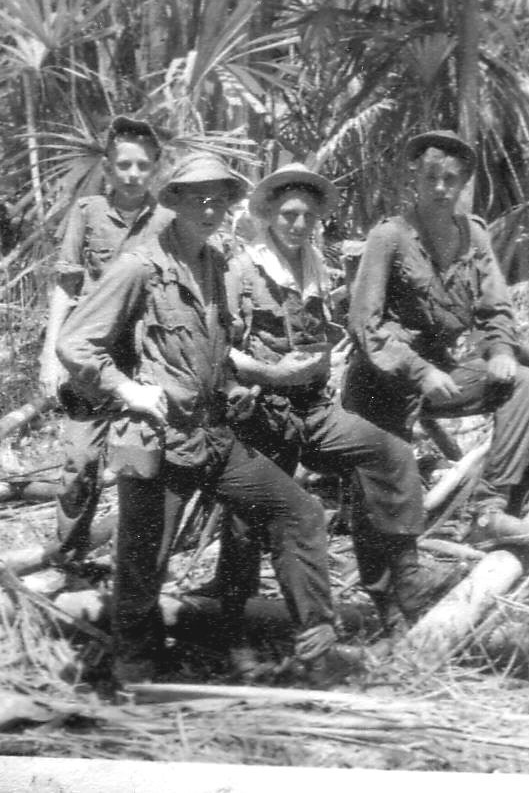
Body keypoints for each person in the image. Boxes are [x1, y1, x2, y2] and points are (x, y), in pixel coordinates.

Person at [56, 153, 360, 686]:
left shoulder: (216, 264)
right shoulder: (138, 267)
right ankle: (135, 668)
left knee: (300, 512)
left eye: (219, 198)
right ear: (172, 202)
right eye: (197, 197)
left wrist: (242, 381)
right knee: (143, 562)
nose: (210, 207)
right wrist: (127, 388)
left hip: (214, 433)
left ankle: (316, 646)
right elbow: (77, 342)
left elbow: (217, 350)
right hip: (159, 439)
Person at [217, 163, 432, 656]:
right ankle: (234, 634)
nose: (298, 224)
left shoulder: (316, 268)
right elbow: (219, 349)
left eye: (308, 216)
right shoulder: (242, 271)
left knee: (390, 454)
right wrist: (267, 374)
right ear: (269, 215)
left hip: (313, 411)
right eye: (289, 214)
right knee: (247, 524)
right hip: (261, 413)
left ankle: (404, 587)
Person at [343, 130, 529, 544]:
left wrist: (502, 348)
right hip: (382, 381)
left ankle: (486, 511)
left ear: (463, 183)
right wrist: (420, 372)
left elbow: (495, 308)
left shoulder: (473, 235)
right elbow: (365, 323)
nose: (440, 188)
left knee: (526, 382)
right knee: (392, 517)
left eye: (450, 179)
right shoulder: (390, 236)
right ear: (413, 179)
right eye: (431, 177)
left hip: (443, 373)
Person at [38, 115, 171, 555]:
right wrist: (51, 356)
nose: (133, 174)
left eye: (143, 165)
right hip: (91, 357)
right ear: (108, 167)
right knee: (80, 463)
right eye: (124, 165)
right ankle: (69, 554)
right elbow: (66, 285)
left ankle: (133, 564)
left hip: (147, 357)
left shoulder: (169, 221)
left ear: (155, 168)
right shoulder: (87, 213)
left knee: (143, 464)